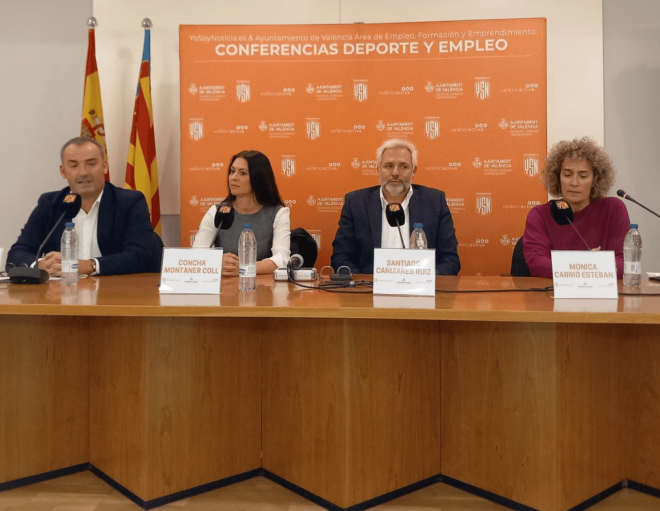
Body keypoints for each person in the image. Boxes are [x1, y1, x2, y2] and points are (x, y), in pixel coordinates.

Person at [6, 136, 161, 276]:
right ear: (63, 171)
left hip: (116, 294)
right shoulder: (50, 204)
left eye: (91, 163)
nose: (83, 172)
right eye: (73, 166)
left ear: (104, 167)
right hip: (62, 296)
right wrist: (40, 265)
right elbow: (18, 252)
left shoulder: (130, 202)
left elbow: (139, 254)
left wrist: (90, 265)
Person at [330, 138, 460, 275]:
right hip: (368, 291)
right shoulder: (356, 203)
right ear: (378, 169)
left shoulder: (434, 202)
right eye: (389, 166)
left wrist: (425, 281)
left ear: (414, 171)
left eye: (403, 166)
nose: (395, 173)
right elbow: (341, 257)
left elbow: (450, 259)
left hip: (420, 291)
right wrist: (365, 284)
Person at [522, 136, 630, 279]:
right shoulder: (540, 215)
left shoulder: (613, 209)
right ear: (558, 177)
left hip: (602, 298)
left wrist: (572, 267)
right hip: (551, 298)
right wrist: (587, 264)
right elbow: (537, 264)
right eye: (567, 175)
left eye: (583, 176)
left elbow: (625, 264)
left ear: (595, 180)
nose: (574, 183)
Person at [193, 150, 290, 276]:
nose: (233, 177)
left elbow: (282, 260)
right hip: (224, 290)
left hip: (263, 290)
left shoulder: (278, 213)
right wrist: (215, 261)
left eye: (242, 173)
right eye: (232, 171)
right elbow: (196, 255)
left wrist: (244, 267)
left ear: (258, 178)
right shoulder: (217, 212)